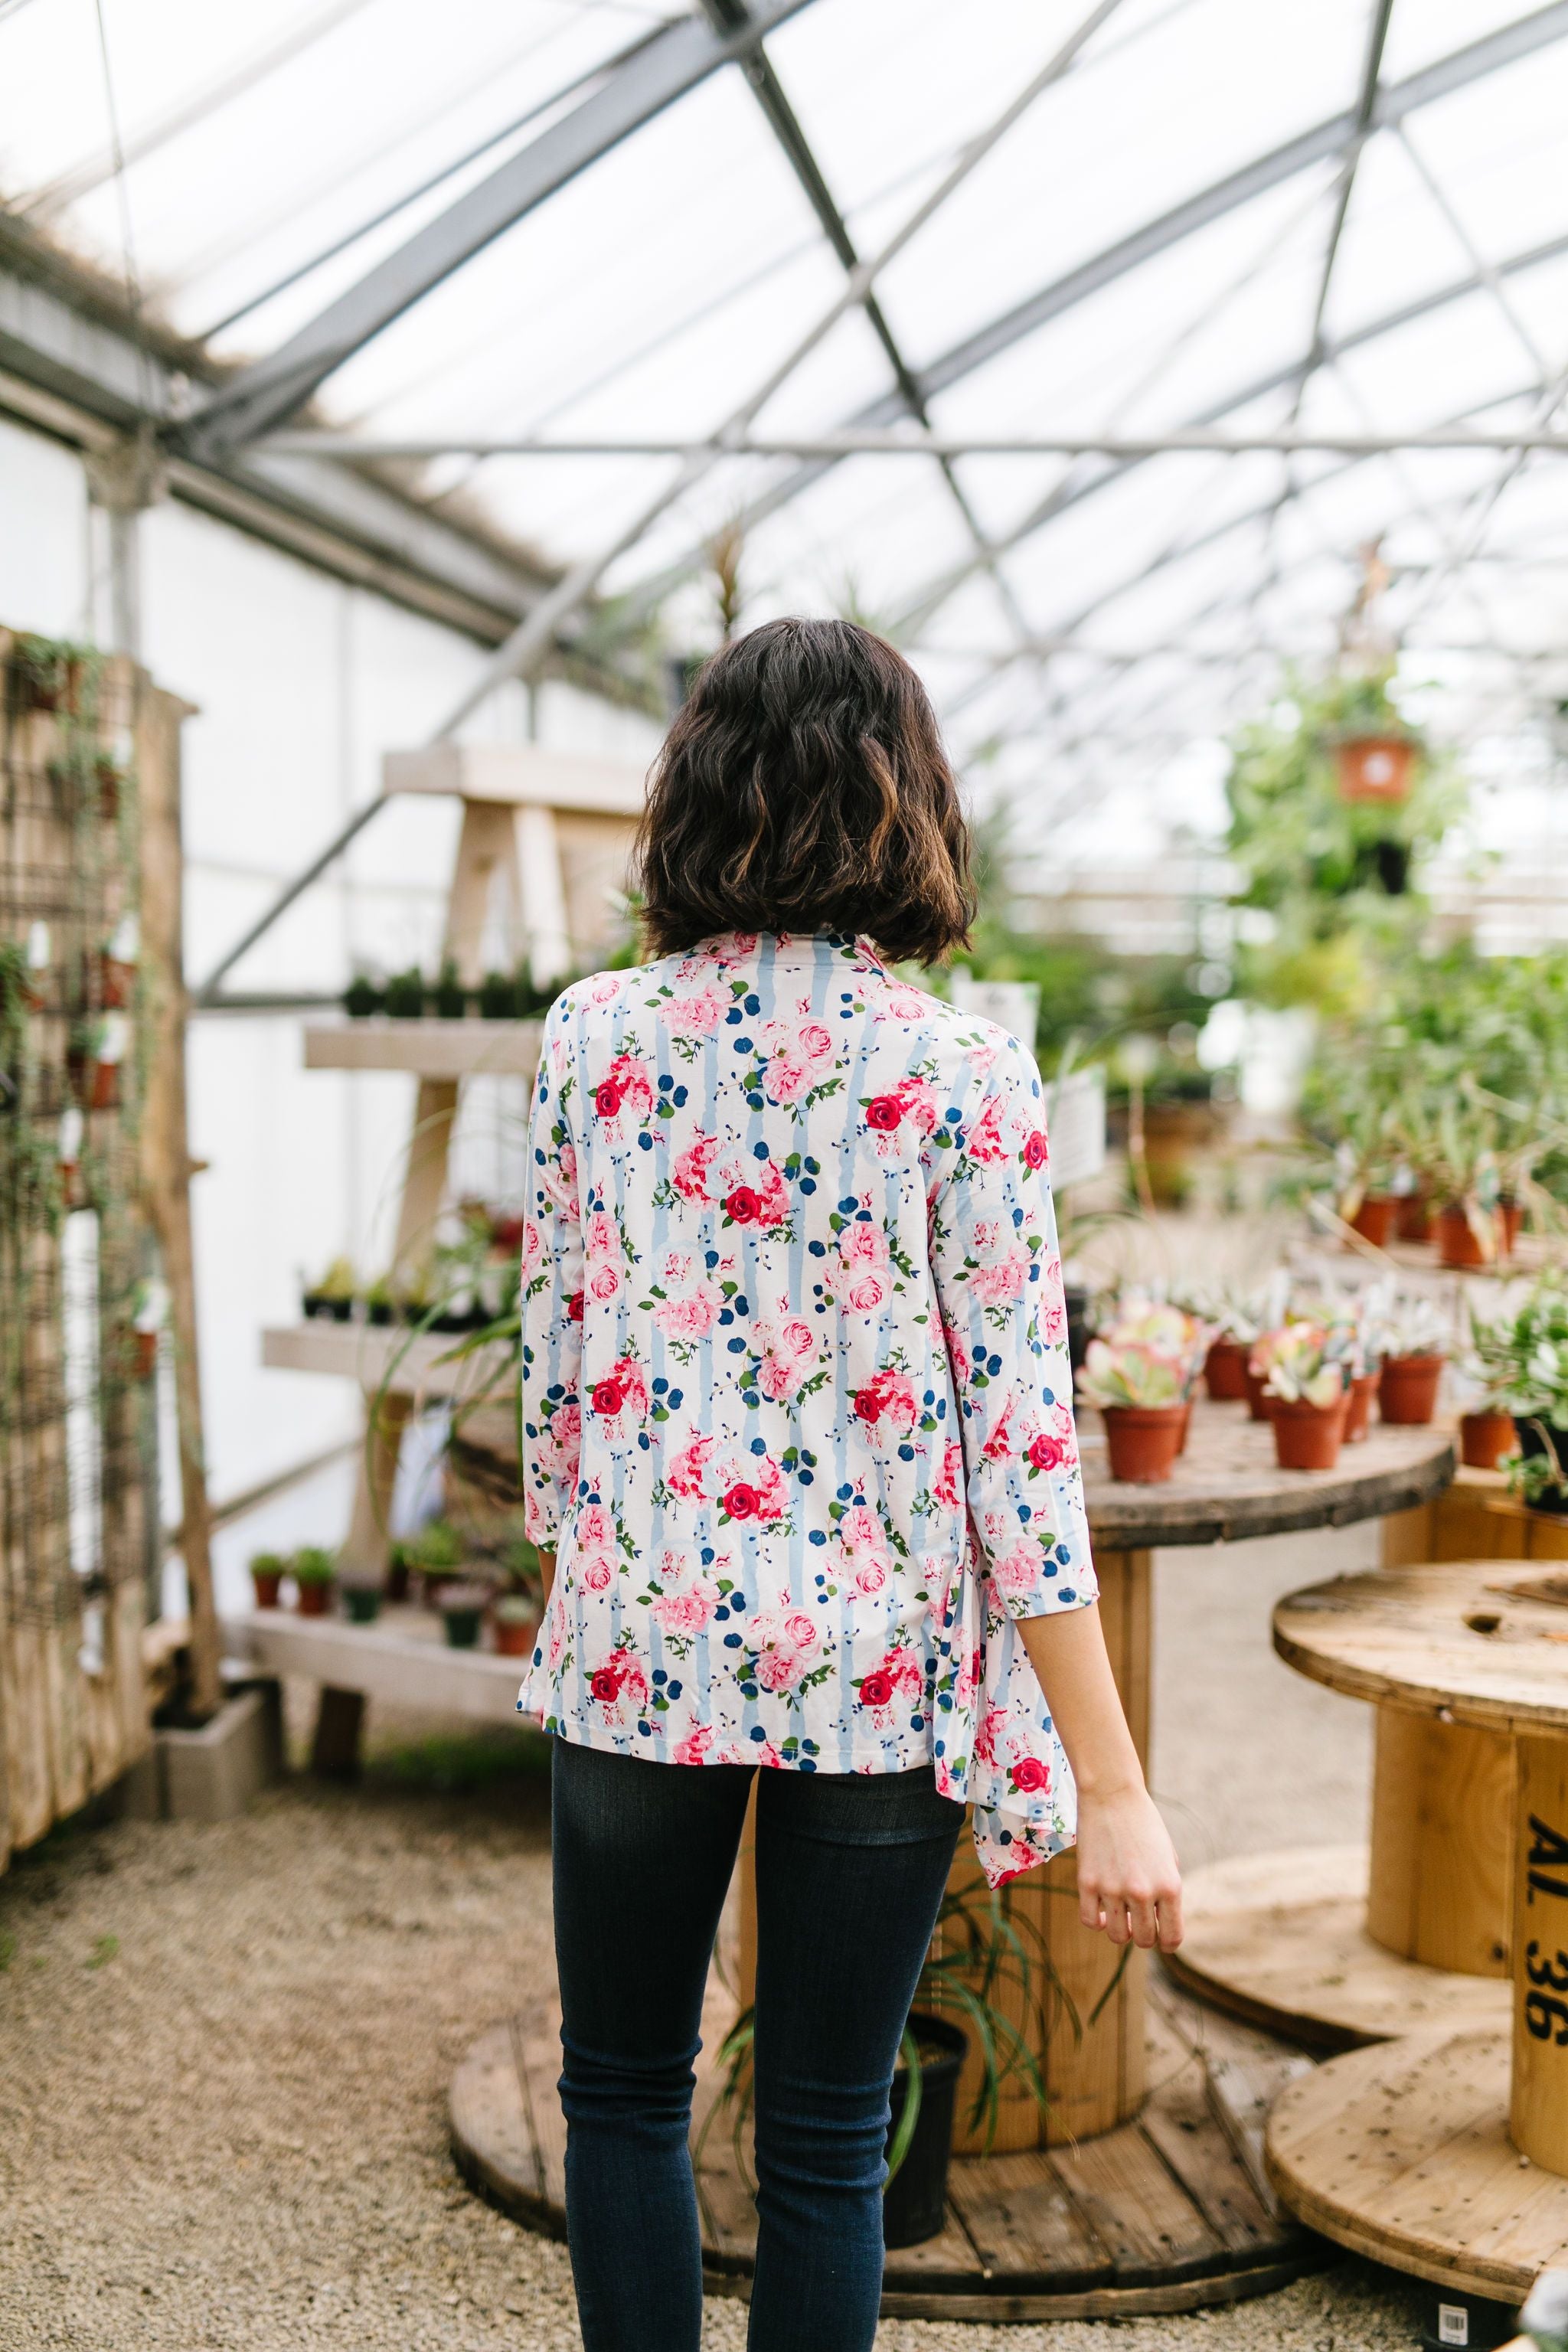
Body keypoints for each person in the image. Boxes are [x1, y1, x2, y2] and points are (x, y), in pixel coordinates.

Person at [515, 617, 1181, 2352]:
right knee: (823, 2137)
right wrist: (1112, 1787)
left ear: (697, 789)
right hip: (878, 1673)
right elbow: (1022, 1449)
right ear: (906, 802)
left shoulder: (594, 1037)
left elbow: (555, 1364)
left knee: (624, 2098)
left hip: (639, 1639)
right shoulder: (958, 1070)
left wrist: (584, 1572)